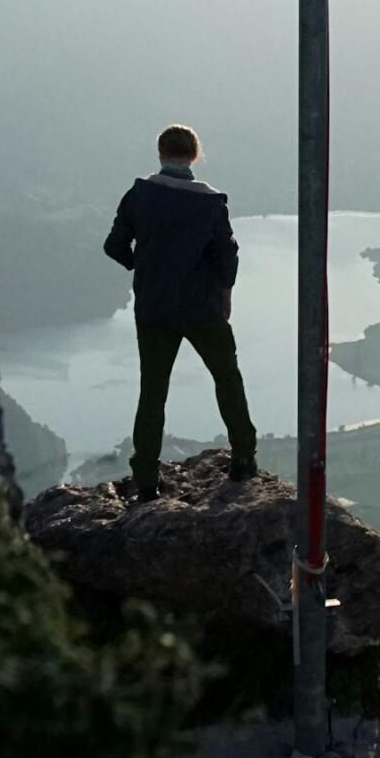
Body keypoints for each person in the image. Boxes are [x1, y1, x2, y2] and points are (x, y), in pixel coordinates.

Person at [103, 122, 258, 499]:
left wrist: (144, 265)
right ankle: (243, 460)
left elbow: (114, 245)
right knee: (227, 378)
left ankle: (146, 480)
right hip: (202, 307)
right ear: (194, 155)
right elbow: (227, 254)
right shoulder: (209, 203)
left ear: (160, 153)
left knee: (152, 392)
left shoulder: (139, 195)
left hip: (154, 307)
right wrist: (224, 291)